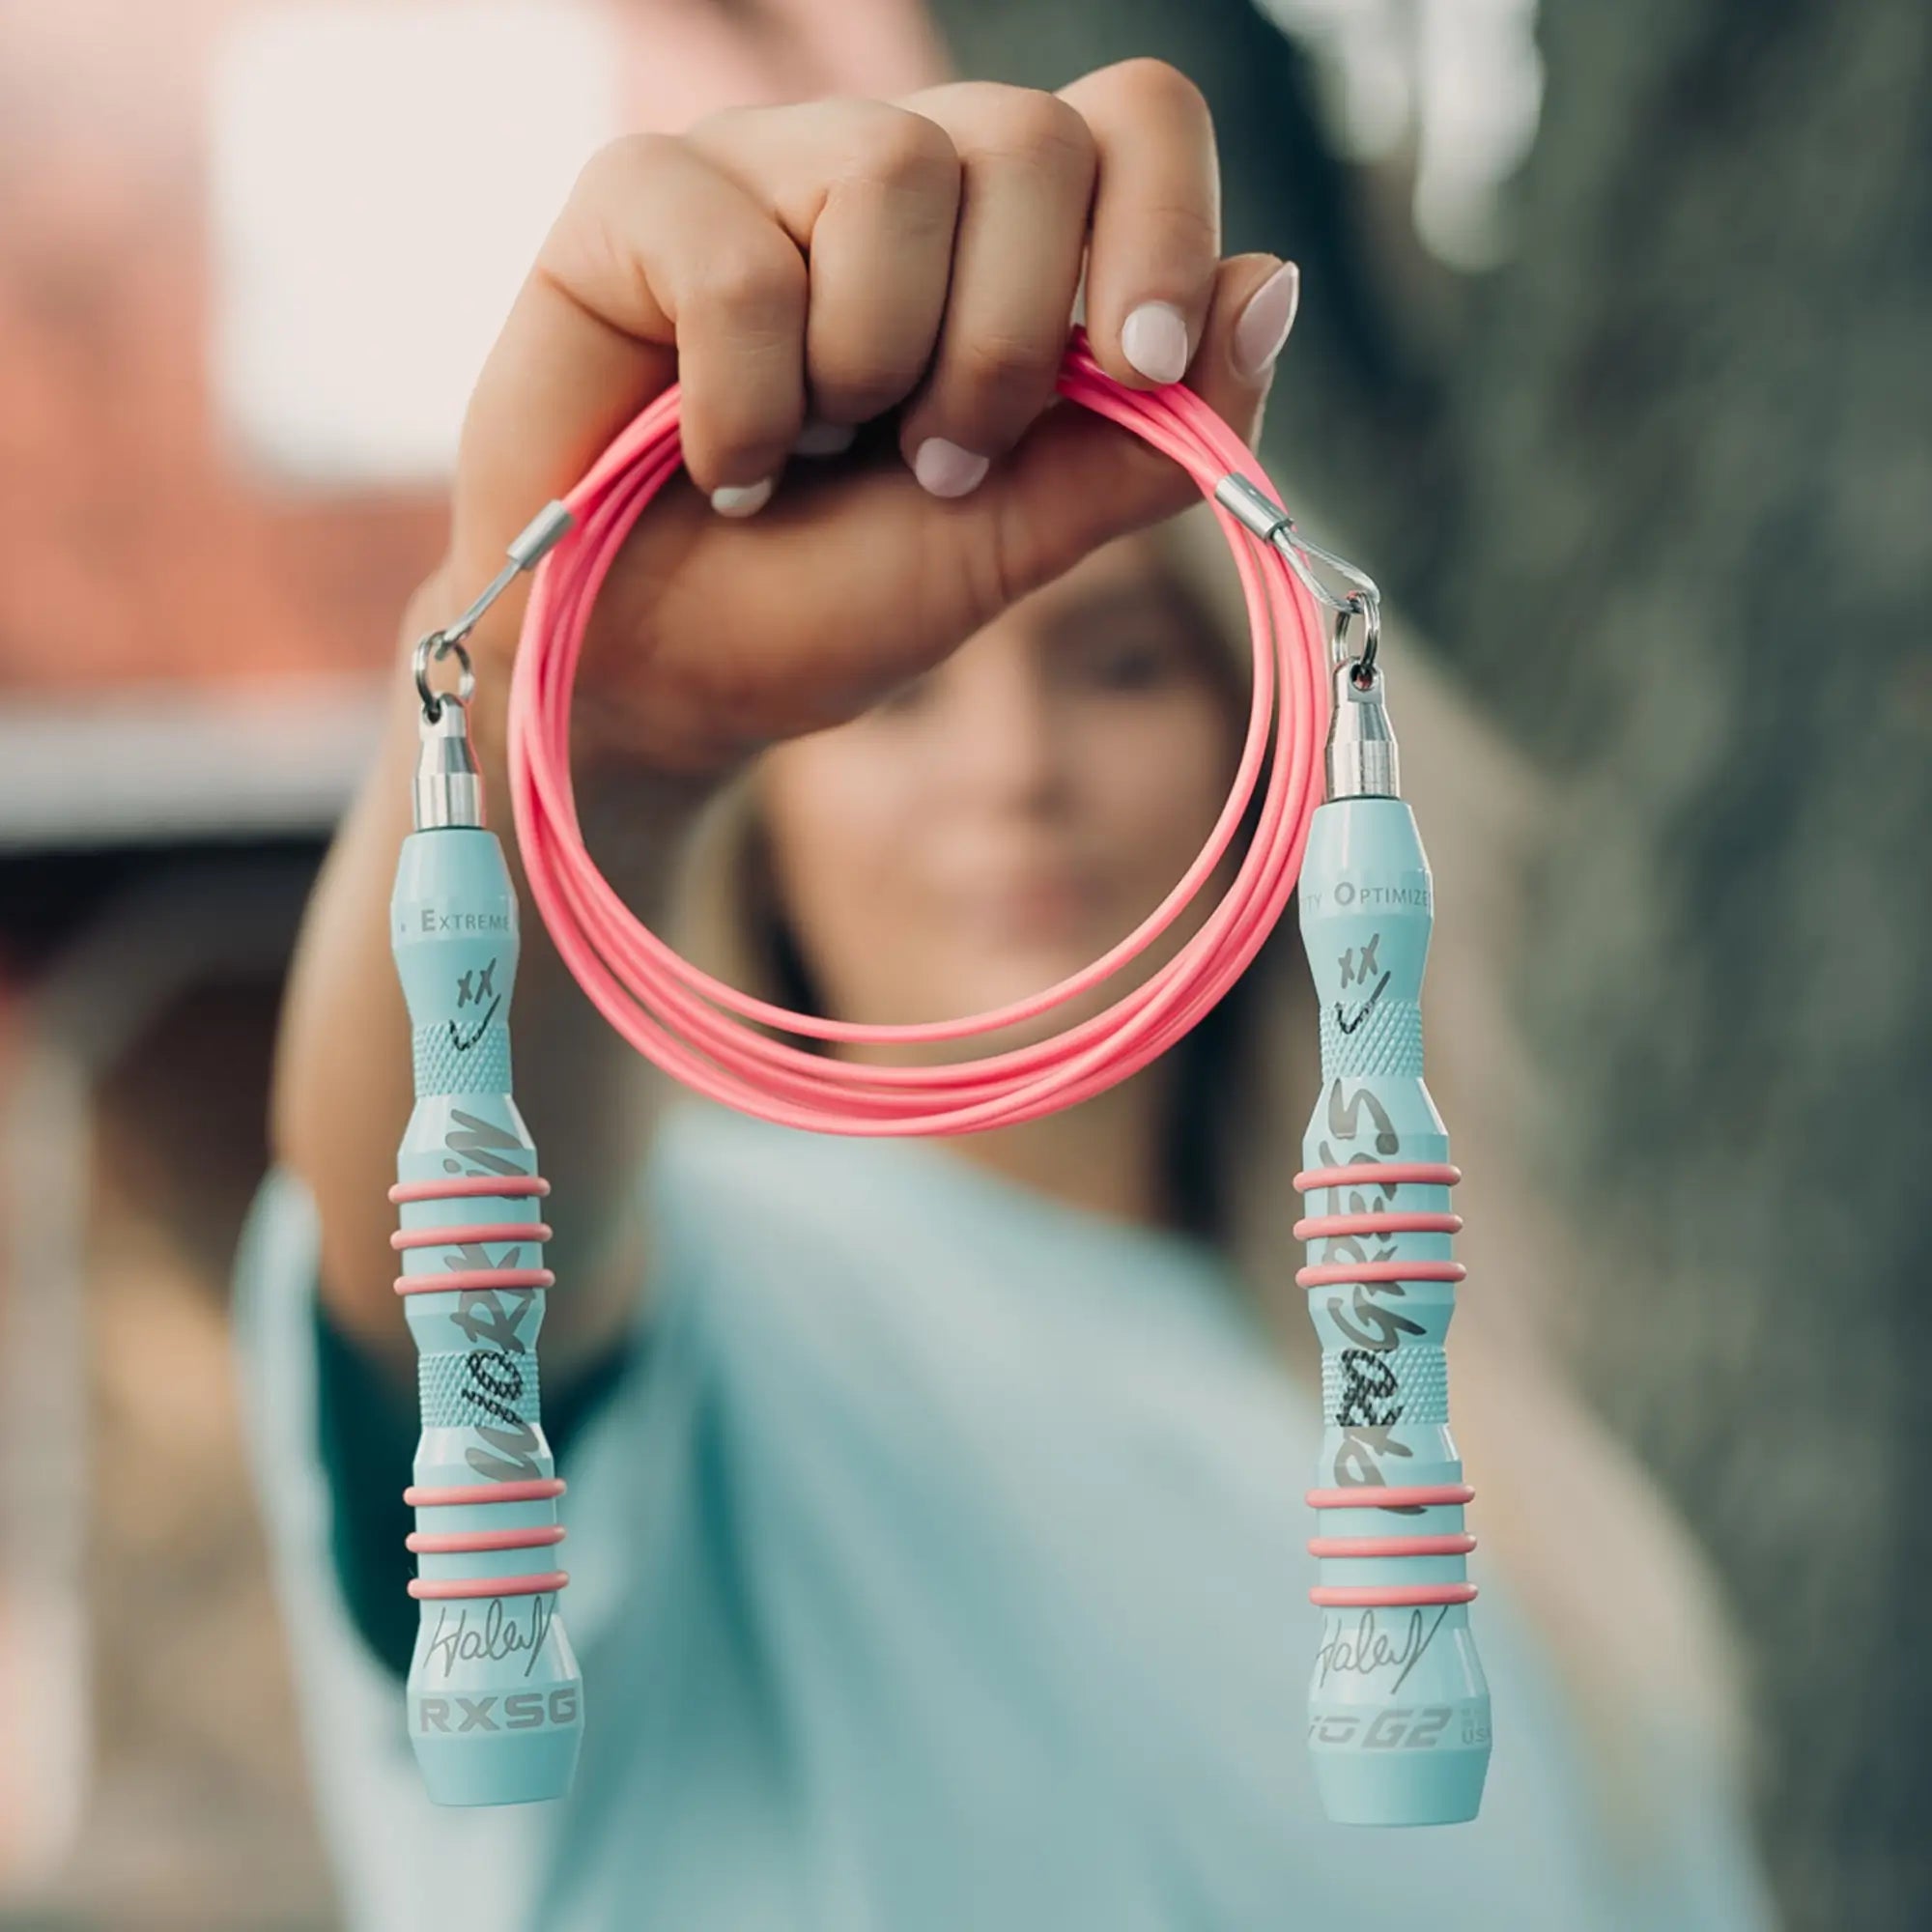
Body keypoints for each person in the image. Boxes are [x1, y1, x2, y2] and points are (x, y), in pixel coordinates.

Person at [231, 64, 1776, 1932]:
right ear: (769, 810)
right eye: (891, 695)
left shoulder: (1537, 1526)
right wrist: (577, 734)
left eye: (1120, 663)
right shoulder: (697, 1297)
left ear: (1266, 738)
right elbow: (434, 1229)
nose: (1012, 772)